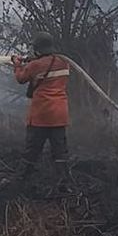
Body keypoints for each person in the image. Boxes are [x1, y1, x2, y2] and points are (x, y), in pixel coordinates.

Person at [11, 31, 71, 178]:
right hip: (59, 114)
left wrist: (18, 65)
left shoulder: (34, 65)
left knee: (31, 150)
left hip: (41, 115)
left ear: (37, 48)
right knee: (60, 151)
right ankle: (63, 182)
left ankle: (21, 180)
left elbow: (21, 78)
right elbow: (48, 66)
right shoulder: (64, 62)